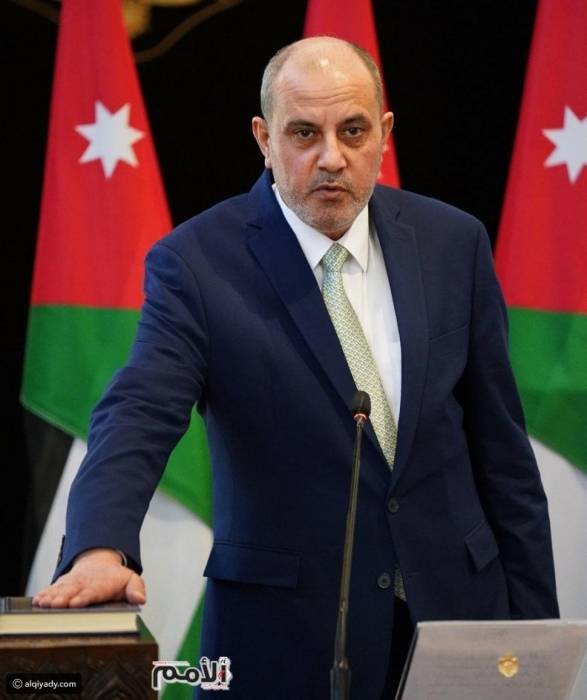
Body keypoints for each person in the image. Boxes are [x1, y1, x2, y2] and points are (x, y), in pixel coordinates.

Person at [34, 37, 559, 699]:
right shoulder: (197, 263)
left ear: (384, 133)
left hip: (456, 618)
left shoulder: (453, 244)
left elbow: (502, 457)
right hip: (286, 640)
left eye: (353, 131)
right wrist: (98, 547)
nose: (331, 157)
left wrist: (536, 642)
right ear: (264, 138)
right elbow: (137, 411)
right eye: (304, 133)